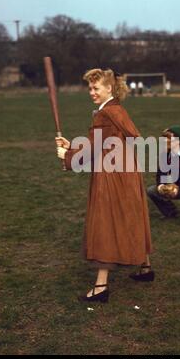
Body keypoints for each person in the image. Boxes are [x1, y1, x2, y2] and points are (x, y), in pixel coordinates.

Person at [55, 69, 154, 303]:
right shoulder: (116, 110)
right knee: (131, 216)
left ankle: (101, 287)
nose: (91, 92)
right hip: (127, 175)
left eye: (96, 88)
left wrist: (67, 156)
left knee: (106, 225)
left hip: (113, 179)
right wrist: (71, 147)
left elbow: (93, 149)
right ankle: (145, 268)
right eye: (90, 88)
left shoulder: (106, 114)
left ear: (109, 88)